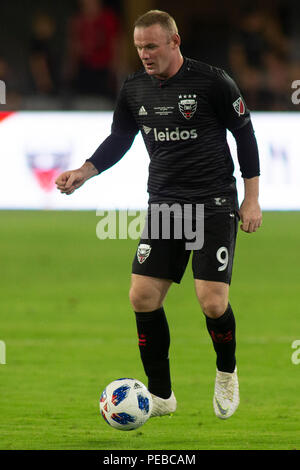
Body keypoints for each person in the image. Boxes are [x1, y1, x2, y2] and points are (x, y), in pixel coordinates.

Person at [56, 10, 262, 420]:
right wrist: (84, 171)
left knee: (212, 302)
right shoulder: (134, 88)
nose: (144, 55)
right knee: (142, 296)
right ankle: (162, 395)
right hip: (166, 204)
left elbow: (245, 134)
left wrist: (251, 198)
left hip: (213, 202)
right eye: (138, 48)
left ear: (174, 41)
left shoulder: (212, 81)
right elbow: (120, 136)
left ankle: (226, 372)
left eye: (151, 46)